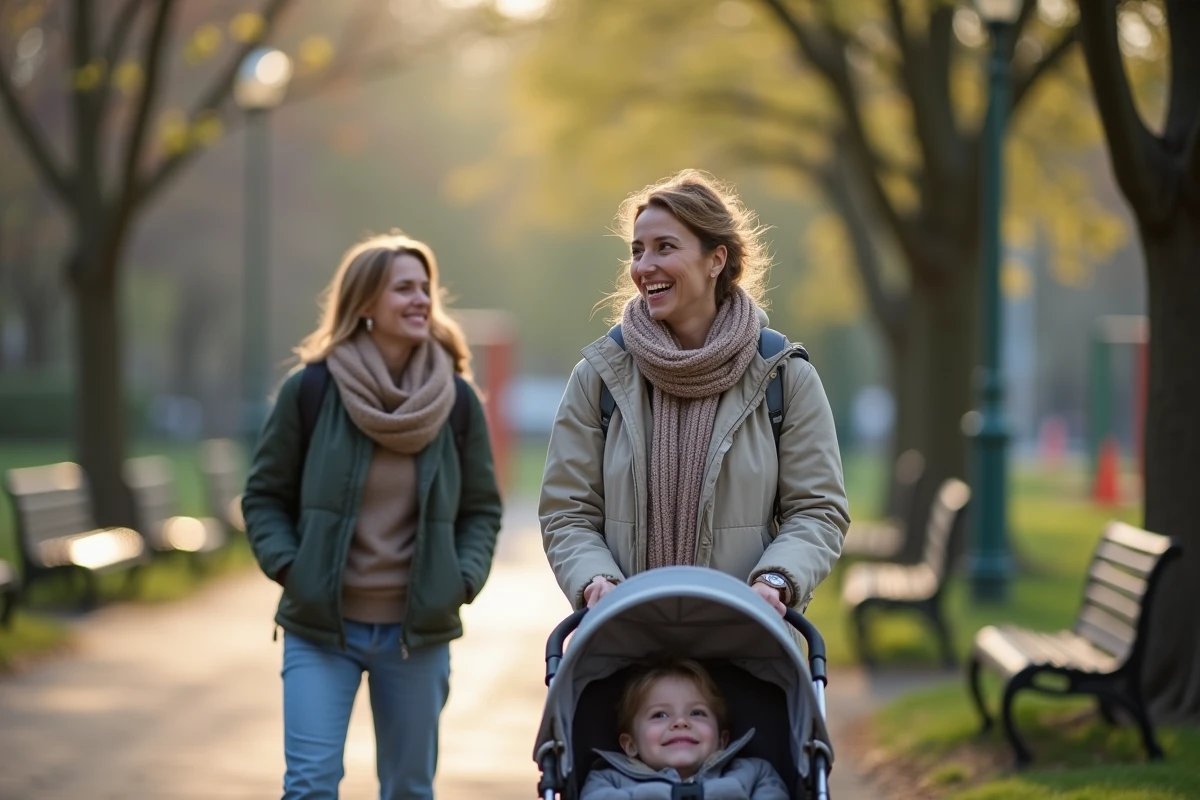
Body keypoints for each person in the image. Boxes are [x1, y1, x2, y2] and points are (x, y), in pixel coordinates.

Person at [242, 232, 503, 800]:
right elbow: (263, 495)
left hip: (418, 632)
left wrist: (459, 581)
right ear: (364, 304)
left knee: (409, 789)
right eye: (403, 288)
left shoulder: (455, 400)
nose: (421, 300)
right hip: (321, 627)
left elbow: (481, 508)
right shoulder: (310, 389)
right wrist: (293, 568)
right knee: (310, 786)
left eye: (425, 288)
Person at [540, 169, 849, 616]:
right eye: (637, 251)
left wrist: (775, 580)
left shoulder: (784, 376)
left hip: (746, 635)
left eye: (665, 247)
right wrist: (596, 580)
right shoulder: (600, 376)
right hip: (627, 634)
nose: (645, 267)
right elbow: (566, 511)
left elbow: (818, 510)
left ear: (716, 260)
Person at [580, 660, 789, 799]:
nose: (680, 722)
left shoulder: (754, 774)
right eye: (659, 715)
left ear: (721, 740)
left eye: (697, 713)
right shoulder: (607, 782)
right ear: (630, 744)